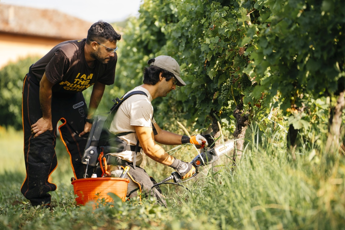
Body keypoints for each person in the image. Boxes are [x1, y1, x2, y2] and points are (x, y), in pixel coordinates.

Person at [21, 21, 121, 207]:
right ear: (94, 45)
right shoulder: (66, 54)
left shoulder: (108, 59)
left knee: (84, 138)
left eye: (114, 49)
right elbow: (45, 85)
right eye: (108, 49)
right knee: (41, 140)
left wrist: (90, 118)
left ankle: (90, 193)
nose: (112, 53)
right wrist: (47, 118)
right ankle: (39, 200)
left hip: (70, 92)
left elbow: (100, 86)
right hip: (39, 88)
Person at [106, 55, 207, 205]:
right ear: (161, 76)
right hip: (121, 169)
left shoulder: (138, 96)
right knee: (156, 208)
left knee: (159, 205)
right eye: (173, 82)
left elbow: (158, 134)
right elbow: (149, 148)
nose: (173, 87)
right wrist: (181, 166)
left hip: (126, 167)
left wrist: (190, 139)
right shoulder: (141, 103)